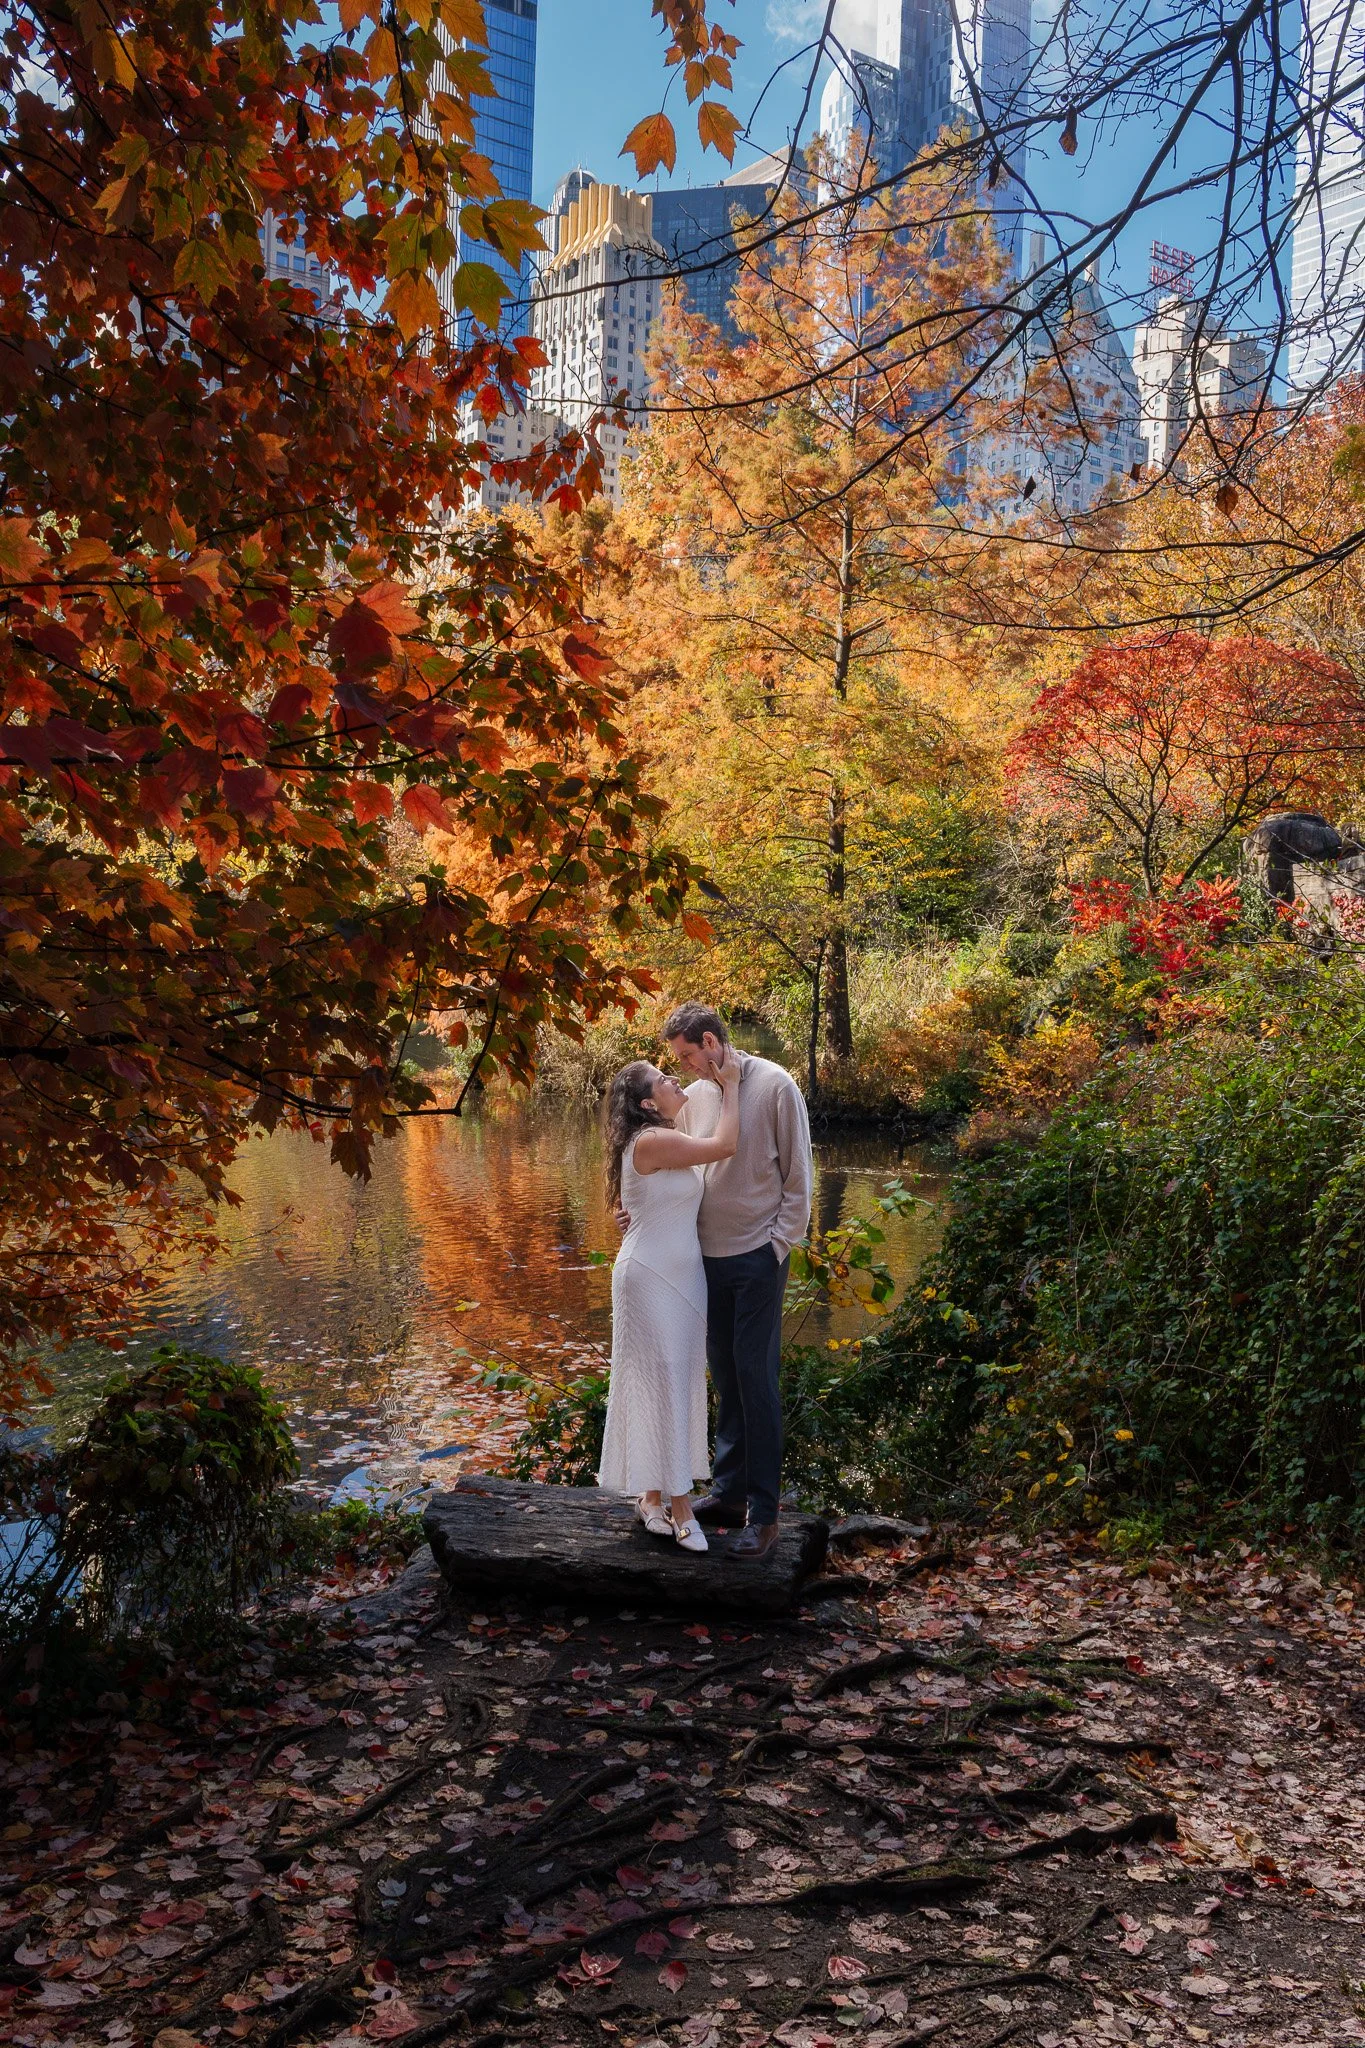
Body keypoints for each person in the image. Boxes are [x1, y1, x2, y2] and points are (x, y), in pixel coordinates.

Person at [618, 1003, 814, 1561]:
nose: (682, 1069)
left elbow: (799, 1177)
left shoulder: (776, 1086)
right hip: (701, 1261)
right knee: (725, 1378)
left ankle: (765, 1516)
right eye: (674, 1063)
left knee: (756, 1380)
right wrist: (639, 1212)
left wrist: (778, 1246)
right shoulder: (701, 1097)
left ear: (710, 1041)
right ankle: (727, 1496)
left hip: (757, 1258)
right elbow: (671, 1167)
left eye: (685, 1056)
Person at [597, 1047, 743, 1553]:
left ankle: (650, 1497)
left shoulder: (659, 1137)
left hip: (682, 1275)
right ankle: (682, 1509)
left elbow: (640, 1203)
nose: (674, 1080)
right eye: (663, 1079)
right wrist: (735, 1084)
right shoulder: (656, 1139)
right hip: (651, 1275)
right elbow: (725, 1144)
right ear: (646, 1104)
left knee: (673, 1381)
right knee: (666, 1380)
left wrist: (718, 1082)